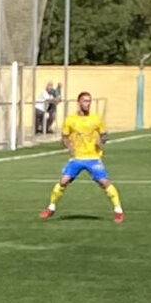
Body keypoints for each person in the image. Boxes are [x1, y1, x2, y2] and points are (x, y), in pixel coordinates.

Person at [39, 92, 124, 223]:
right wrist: (69, 147)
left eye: (89, 101)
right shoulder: (70, 119)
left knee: (104, 182)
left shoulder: (96, 118)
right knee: (63, 181)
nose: (87, 103)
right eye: (85, 101)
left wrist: (101, 141)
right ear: (79, 103)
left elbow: (105, 135)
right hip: (77, 158)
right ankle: (51, 208)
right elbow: (65, 137)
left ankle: (118, 211)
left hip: (93, 157)